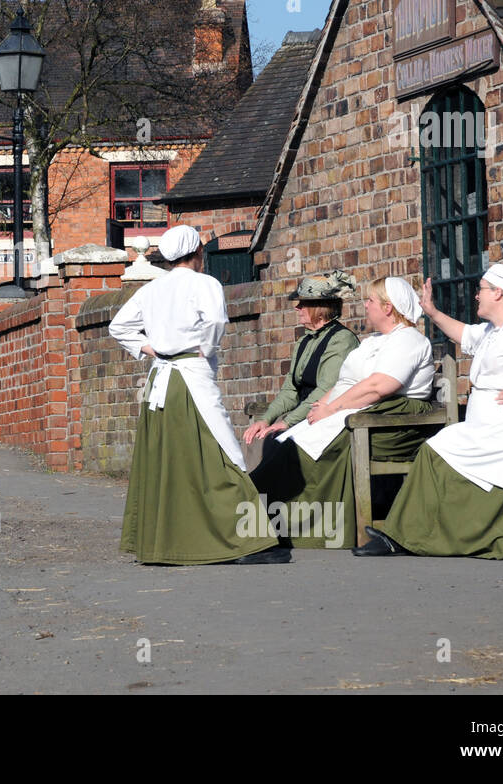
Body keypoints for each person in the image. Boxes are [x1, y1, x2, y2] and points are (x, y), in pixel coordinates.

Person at [355, 265, 503, 559]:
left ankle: (403, 536)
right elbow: (463, 334)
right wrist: (431, 312)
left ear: (498, 293)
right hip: (488, 426)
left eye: (481, 288)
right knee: (436, 450)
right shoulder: (493, 330)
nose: (476, 296)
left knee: (435, 451)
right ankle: (406, 534)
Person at [109, 225, 289, 565]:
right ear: (197, 254)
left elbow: (118, 326)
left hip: (160, 385)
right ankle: (245, 541)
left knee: (171, 464)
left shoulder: (152, 290)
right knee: (222, 454)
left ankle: (165, 543)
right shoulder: (205, 284)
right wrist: (205, 349)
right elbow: (216, 322)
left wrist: (151, 349)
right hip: (191, 377)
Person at [268, 277, 436, 548]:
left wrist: (332, 408)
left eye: (370, 301)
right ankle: (266, 518)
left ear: (388, 308)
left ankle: (298, 528)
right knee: (284, 443)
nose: (365, 305)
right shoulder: (374, 341)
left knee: (304, 453)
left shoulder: (408, 340)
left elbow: (378, 386)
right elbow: (343, 381)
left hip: (385, 418)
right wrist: (320, 406)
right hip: (353, 409)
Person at [245, 271, 360, 523]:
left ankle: (261, 515)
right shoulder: (304, 341)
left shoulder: (342, 340)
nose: (297, 307)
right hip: (303, 412)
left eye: (303, 303)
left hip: (325, 413)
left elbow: (324, 391)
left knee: (279, 442)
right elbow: (290, 390)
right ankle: (256, 511)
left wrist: (287, 422)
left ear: (320, 307)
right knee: (256, 438)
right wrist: (266, 419)